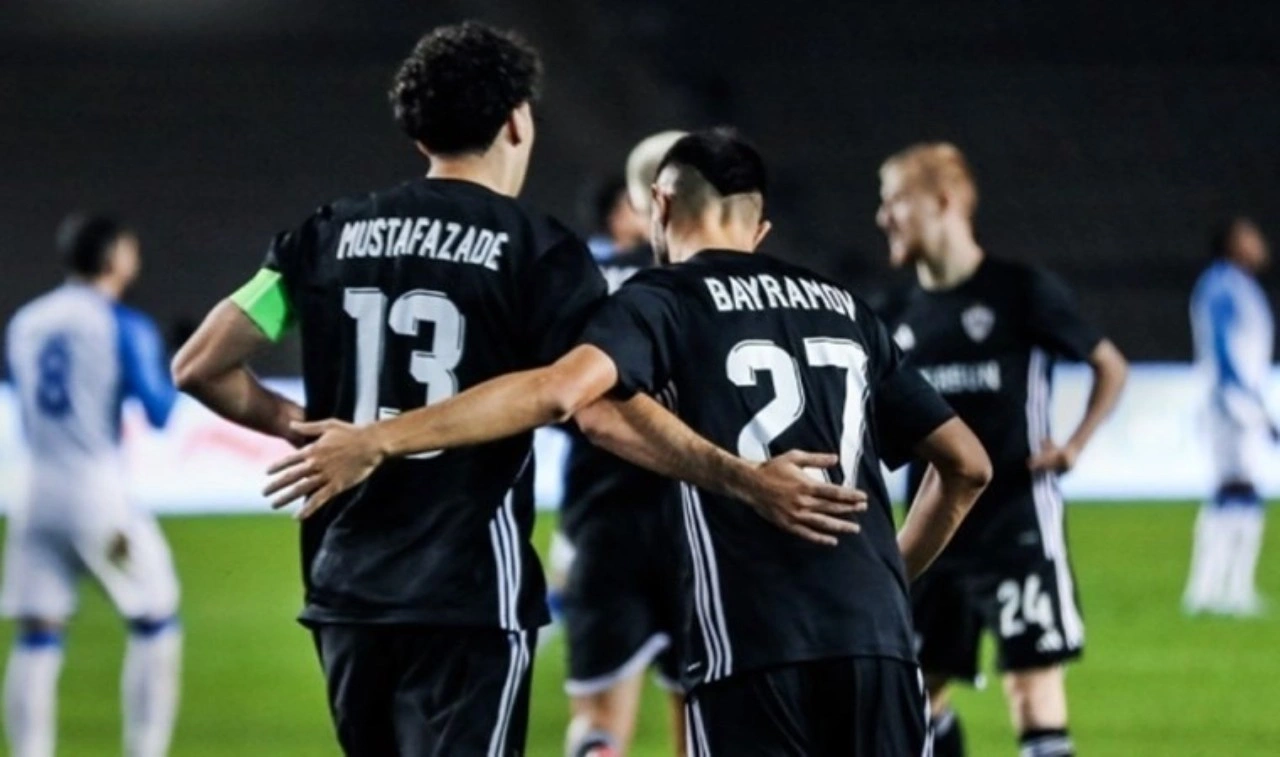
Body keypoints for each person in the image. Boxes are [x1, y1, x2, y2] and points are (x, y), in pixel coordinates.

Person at [170, 27, 854, 756]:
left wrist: (310, 427)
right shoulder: (539, 252)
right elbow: (597, 411)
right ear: (517, 121)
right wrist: (744, 478)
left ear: (419, 133)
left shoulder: (326, 235)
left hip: (346, 585)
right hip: (468, 592)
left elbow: (200, 366)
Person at [266, 128, 993, 755]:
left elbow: (562, 394)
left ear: (660, 207)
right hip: (879, 641)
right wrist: (892, 575)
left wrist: (381, 439)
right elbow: (967, 466)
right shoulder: (847, 308)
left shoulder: (661, 299)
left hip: (751, 644)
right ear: (760, 227)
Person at [877, 142, 1129, 757]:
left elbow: (1110, 365)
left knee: (1032, 688)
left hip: (1017, 528)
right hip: (933, 535)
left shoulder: (1020, 292)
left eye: (895, 200)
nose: (883, 217)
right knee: (915, 699)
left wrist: (1074, 444)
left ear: (942, 201)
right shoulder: (894, 314)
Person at [3, 214, 182, 757]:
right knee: (156, 616)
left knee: (37, 637)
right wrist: (176, 364)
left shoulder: (27, 320)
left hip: (32, 493)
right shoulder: (120, 323)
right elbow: (159, 411)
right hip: (96, 493)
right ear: (114, 258)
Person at [557, 131, 688, 757]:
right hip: (701, 522)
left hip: (603, 520)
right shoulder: (708, 282)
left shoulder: (577, 281)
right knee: (706, 718)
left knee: (598, 720)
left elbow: (554, 398)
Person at [1185, 217, 1275, 617]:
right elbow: (1222, 346)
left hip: (1234, 398)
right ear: (1234, 243)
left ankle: (1216, 590)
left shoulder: (1238, 285)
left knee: (1235, 494)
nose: (1259, 243)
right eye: (1250, 236)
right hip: (1230, 401)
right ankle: (1222, 591)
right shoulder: (1222, 285)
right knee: (1239, 492)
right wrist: (1245, 401)